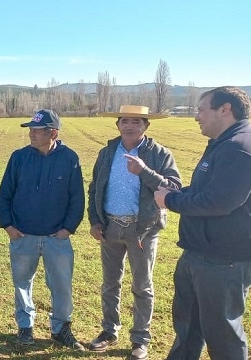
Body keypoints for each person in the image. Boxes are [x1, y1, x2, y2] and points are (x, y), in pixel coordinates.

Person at [154, 86, 251, 360]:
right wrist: (176, 193)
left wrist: (170, 201)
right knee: (187, 328)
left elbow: (219, 202)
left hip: (222, 261)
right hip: (200, 255)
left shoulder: (239, 148)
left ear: (225, 109)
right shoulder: (223, 144)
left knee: (223, 336)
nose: (197, 117)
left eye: (200, 109)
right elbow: (202, 191)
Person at [87, 105, 181, 359]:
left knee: (142, 286)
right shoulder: (107, 152)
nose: (130, 126)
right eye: (125, 121)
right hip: (110, 227)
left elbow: (174, 188)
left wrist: (144, 171)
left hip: (144, 230)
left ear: (146, 126)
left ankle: (140, 340)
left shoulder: (160, 154)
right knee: (110, 284)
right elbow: (95, 187)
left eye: (136, 122)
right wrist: (95, 221)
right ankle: (109, 331)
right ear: (117, 124)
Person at [0, 109, 85, 350]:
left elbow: (77, 198)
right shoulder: (18, 157)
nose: (31, 135)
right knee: (22, 282)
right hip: (23, 236)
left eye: (37, 131)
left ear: (53, 133)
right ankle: (25, 327)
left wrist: (68, 229)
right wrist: (9, 227)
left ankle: (61, 328)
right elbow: (5, 194)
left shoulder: (69, 159)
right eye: (30, 130)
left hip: (57, 238)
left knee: (61, 285)